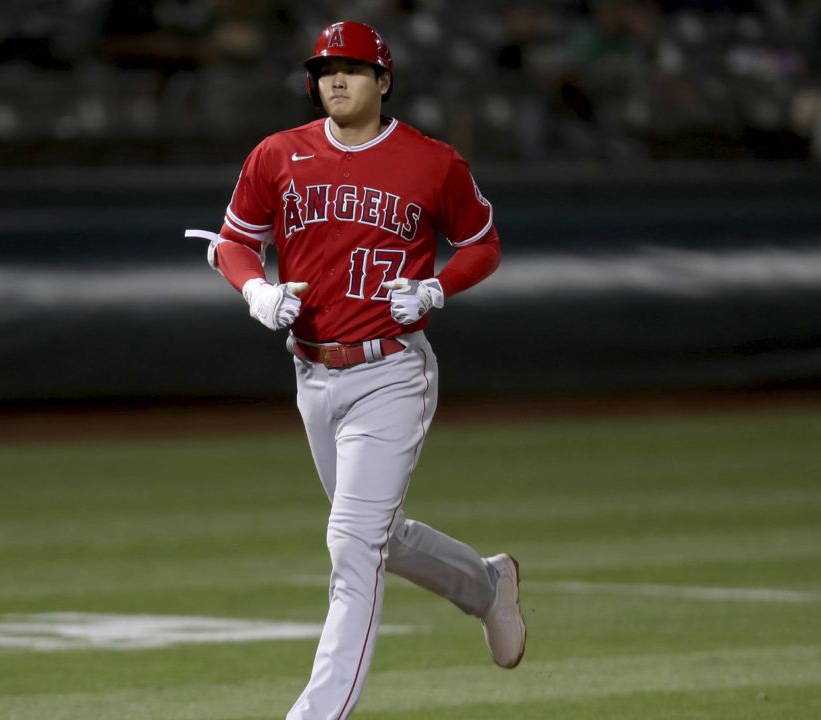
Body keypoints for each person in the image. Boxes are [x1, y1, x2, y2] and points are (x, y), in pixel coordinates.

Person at [186, 20, 525, 720]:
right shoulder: (278, 155)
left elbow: (482, 245)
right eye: (325, 68)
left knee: (351, 545)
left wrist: (438, 288)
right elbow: (233, 243)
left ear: (384, 80)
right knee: (378, 536)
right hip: (312, 374)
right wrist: (256, 291)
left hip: (391, 371)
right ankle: (487, 587)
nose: (335, 79)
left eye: (353, 68)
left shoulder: (431, 162)